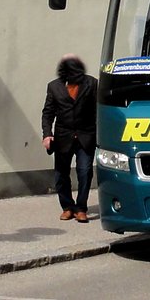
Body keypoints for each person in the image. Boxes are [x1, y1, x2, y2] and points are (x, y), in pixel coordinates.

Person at [41, 54, 97, 223]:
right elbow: (47, 113)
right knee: (61, 175)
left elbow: (97, 111)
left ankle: (81, 208)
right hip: (63, 137)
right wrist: (47, 134)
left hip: (86, 136)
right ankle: (67, 207)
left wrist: (100, 134)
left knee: (85, 172)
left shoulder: (92, 84)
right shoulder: (54, 87)